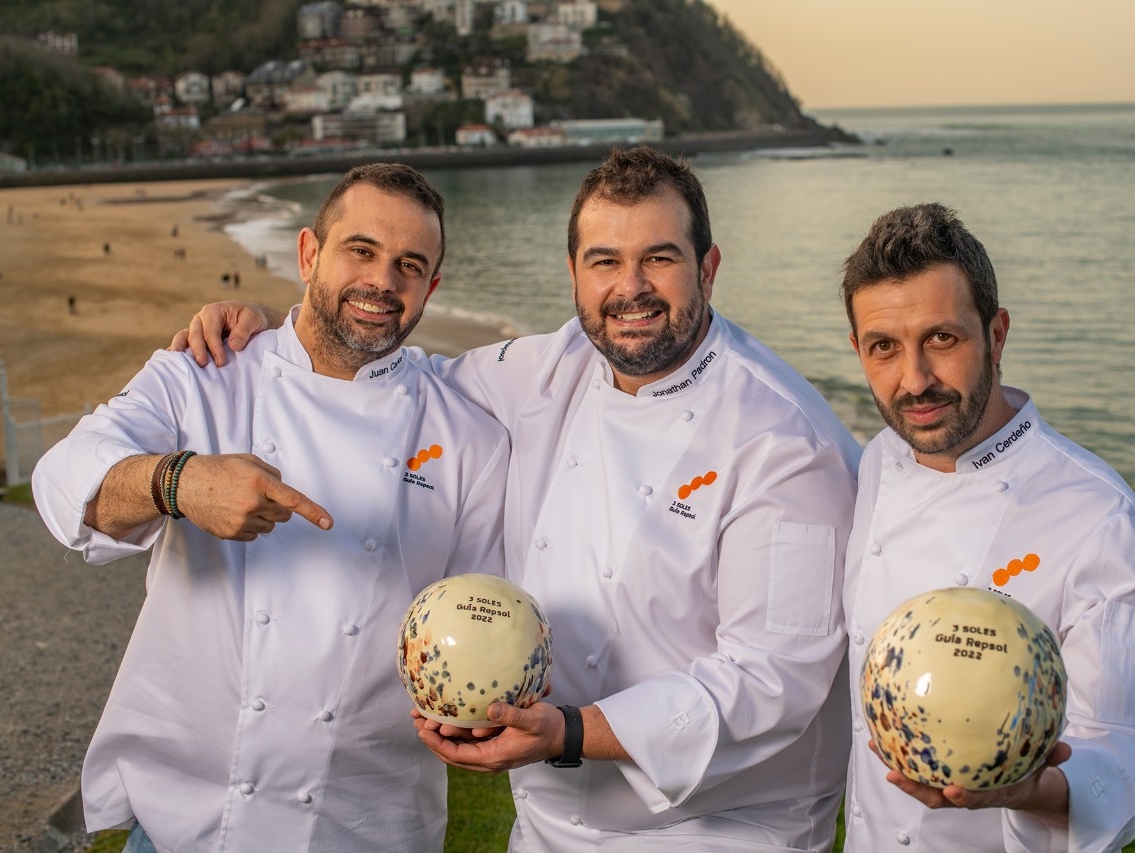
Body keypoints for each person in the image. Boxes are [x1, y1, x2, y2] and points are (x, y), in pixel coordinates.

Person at [175, 146, 862, 852]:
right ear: (572, 273)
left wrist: (569, 732)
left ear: (707, 268)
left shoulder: (786, 441)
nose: (631, 288)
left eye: (659, 258)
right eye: (604, 261)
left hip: (717, 831)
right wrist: (284, 332)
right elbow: (405, 380)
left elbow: (770, 680)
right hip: (547, 826)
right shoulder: (545, 369)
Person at [32, 163, 510, 852]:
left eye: (410, 265)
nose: (382, 281)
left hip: (364, 825)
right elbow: (63, 481)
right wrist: (179, 482)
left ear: (430, 287)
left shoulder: (466, 435)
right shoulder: (205, 375)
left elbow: (480, 618)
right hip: (183, 827)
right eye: (361, 250)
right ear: (309, 253)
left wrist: (478, 707)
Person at [838, 202, 1135, 851]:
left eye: (943, 338)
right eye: (885, 347)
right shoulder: (879, 460)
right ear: (859, 350)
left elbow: (1133, 762)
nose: (916, 380)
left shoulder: (1099, 519)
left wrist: (1023, 787)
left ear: (996, 333)